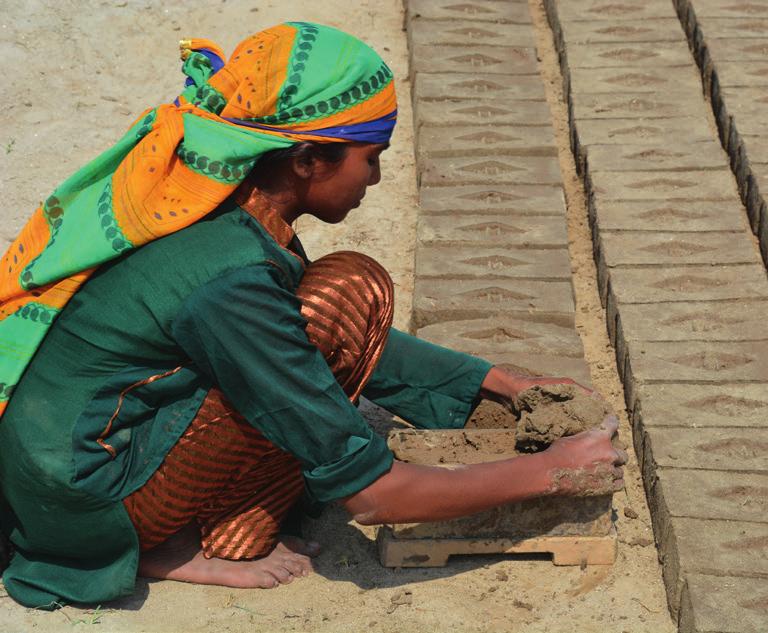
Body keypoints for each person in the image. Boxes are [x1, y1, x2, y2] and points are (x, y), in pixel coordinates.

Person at [0, 22, 626, 608]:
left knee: (345, 292)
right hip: (89, 497)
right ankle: (165, 545)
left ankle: (219, 519)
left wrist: (501, 383)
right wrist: (550, 472)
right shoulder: (229, 281)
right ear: (306, 160)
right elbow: (373, 495)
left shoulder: (230, 206)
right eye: (370, 157)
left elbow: (297, 327)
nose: (375, 178)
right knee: (343, 298)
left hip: (75, 455)